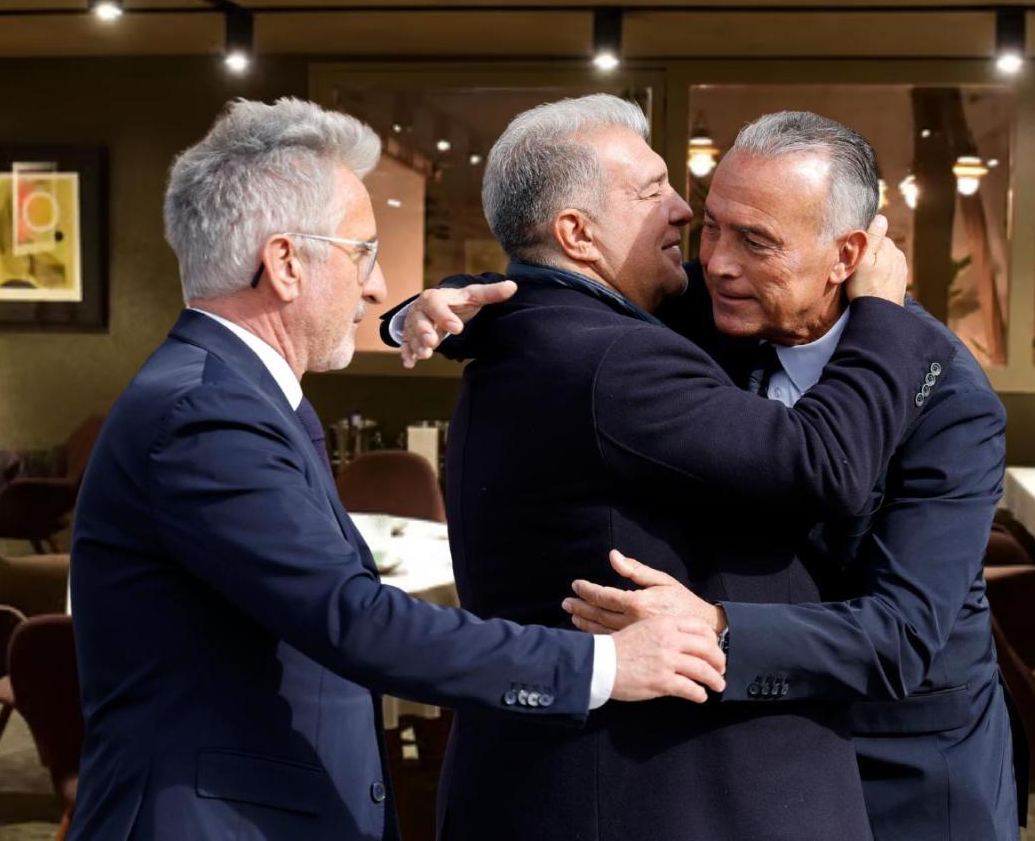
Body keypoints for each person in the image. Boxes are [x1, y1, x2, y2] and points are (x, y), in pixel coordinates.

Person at [67, 98, 729, 841]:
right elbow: (357, 622)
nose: (378, 288)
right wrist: (602, 665)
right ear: (285, 263)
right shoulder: (203, 415)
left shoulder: (227, 391)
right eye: (362, 255)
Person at [400, 112, 1018, 840]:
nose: (718, 260)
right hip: (770, 776)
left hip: (909, 765)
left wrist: (718, 628)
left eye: (756, 241)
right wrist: (443, 307)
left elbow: (901, 635)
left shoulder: (949, 401)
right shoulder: (712, 308)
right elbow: (563, 291)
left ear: (847, 254)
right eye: (713, 228)